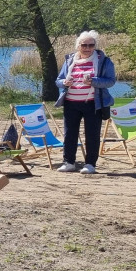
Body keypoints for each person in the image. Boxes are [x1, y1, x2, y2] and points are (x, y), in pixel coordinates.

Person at [54, 31, 116, 175]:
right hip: (71, 102)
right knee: (69, 134)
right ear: (78, 46)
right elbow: (58, 80)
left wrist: (93, 81)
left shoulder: (103, 61)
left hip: (93, 103)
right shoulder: (70, 60)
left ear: (95, 46)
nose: (87, 48)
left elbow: (111, 81)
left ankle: (90, 164)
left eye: (91, 45)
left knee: (92, 134)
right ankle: (69, 162)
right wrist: (65, 82)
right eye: (84, 45)